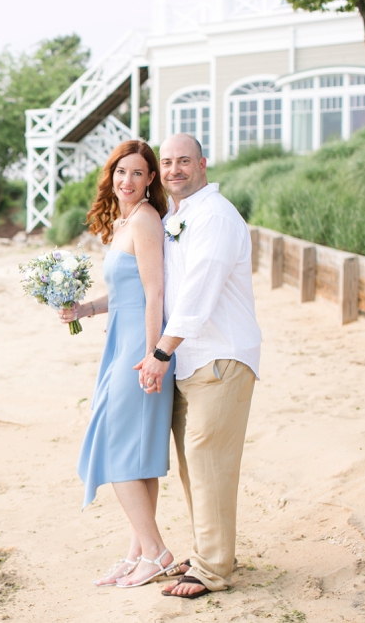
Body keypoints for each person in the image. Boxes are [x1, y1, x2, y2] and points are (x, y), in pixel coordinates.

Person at [135, 133, 262, 599]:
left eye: (183, 161)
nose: (174, 170)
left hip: (220, 355)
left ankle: (212, 569)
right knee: (197, 466)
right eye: (166, 162)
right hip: (191, 358)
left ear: (203, 164)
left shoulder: (215, 216)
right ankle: (213, 551)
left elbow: (199, 293)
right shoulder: (178, 216)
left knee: (209, 461)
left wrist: (160, 352)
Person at [59, 140, 176, 588]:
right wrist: (85, 310)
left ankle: (159, 552)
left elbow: (154, 295)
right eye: (120, 172)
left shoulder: (145, 221)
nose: (127, 181)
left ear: (150, 180)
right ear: (112, 176)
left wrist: (151, 356)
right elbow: (125, 293)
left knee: (116, 448)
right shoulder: (124, 221)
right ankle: (137, 553)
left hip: (138, 349)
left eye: (138, 173)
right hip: (121, 342)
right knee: (138, 454)